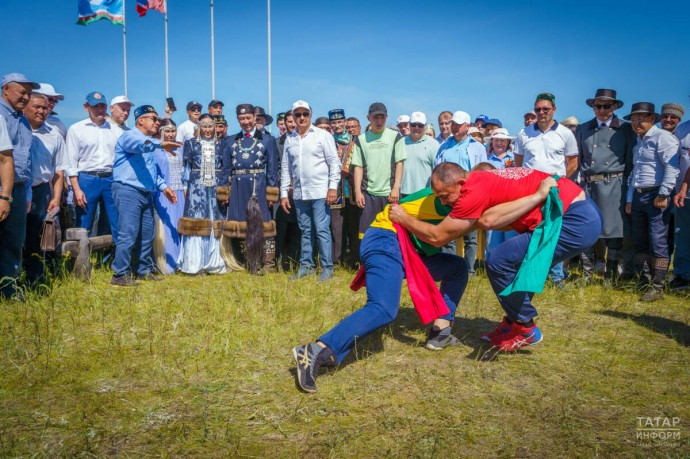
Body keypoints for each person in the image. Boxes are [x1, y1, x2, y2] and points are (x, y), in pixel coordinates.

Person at [389, 163, 601, 352]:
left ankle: (525, 327)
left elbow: (438, 237)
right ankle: (512, 325)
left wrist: (404, 218)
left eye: (445, 195)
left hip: (574, 220)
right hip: (580, 213)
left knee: (499, 260)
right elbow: (489, 220)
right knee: (517, 265)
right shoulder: (483, 181)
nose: (443, 202)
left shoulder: (472, 189)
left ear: (461, 183)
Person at [292, 189, 470, 392]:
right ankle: (315, 351)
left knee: (457, 267)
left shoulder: (465, 199)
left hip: (407, 249)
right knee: (383, 308)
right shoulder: (449, 196)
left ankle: (441, 332)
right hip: (386, 240)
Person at [514, 92, 579, 287]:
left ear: (554, 110)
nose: (542, 112)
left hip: (555, 190)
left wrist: (559, 182)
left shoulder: (565, 134)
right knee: (528, 231)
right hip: (529, 191)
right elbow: (518, 163)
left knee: (553, 231)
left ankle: (556, 277)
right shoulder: (524, 133)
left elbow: (573, 164)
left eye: (545, 109)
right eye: (538, 109)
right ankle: (529, 273)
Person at [111, 105, 179, 286]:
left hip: (146, 192)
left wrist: (164, 187)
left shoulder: (149, 143)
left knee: (147, 233)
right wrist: (160, 143)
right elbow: (139, 145)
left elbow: (152, 173)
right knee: (128, 233)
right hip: (128, 190)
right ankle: (120, 274)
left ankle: (142, 270)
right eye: (154, 119)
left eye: (157, 120)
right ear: (141, 120)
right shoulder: (130, 137)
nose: (157, 123)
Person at [576, 89, 636, 286]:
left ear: (615, 107)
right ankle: (586, 274)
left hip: (615, 184)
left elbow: (629, 161)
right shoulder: (583, 129)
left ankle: (610, 276)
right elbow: (578, 159)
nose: (602, 110)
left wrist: (626, 188)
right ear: (593, 107)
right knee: (587, 228)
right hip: (589, 185)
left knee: (614, 232)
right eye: (598, 106)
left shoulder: (626, 129)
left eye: (606, 106)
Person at [624, 102, 680, 301]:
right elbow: (635, 172)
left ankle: (657, 285)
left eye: (641, 118)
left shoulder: (662, 137)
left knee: (658, 239)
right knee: (640, 239)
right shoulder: (639, 142)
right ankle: (644, 279)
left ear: (652, 119)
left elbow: (672, 167)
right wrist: (630, 198)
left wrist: (663, 194)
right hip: (639, 194)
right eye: (633, 119)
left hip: (656, 193)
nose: (636, 122)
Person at [281, 100, 341, 281]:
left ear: (310, 115)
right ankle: (306, 265)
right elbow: (285, 168)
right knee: (305, 230)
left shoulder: (322, 135)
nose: (301, 118)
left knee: (322, 229)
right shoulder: (290, 139)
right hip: (300, 193)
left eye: (305, 114)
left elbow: (334, 163)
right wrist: (284, 193)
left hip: (320, 192)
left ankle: (327, 267)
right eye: (297, 115)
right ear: (293, 117)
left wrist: (332, 187)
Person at [220, 104, 279, 273]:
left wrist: (271, 192)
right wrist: (224, 190)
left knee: (264, 224)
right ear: (238, 119)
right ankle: (248, 263)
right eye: (241, 119)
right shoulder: (230, 140)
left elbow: (273, 169)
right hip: (239, 187)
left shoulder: (268, 140)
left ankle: (268, 264)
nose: (245, 121)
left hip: (258, 186)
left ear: (254, 118)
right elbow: (226, 169)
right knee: (243, 224)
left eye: (248, 118)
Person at [65, 91, 122, 241]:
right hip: (87, 179)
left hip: (111, 178)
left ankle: (114, 261)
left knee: (115, 221)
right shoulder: (76, 129)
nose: (100, 110)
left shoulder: (116, 130)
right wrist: (76, 189)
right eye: (95, 106)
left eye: (102, 106)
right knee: (84, 222)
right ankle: (82, 262)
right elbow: (71, 162)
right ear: (86, 107)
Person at [434, 110, 487, 269]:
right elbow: (436, 168)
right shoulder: (443, 146)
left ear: (468, 126)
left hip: (468, 195)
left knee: (470, 235)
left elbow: (483, 172)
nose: (455, 127)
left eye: (458, 124)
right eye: (453, 124)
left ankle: (469, 270)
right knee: (448, 234)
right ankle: (450, 268)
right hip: (447, 196)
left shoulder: (477, 147)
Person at [23, 93, 67, 284]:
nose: (41, 111)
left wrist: (56, 198)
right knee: (11, 236)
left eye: (44, 107)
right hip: (16, 189)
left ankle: (35, 278)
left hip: (41, 191)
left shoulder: (54, 135)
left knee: (37, 237)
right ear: (25, 106)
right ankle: (11, 278)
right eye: (36, 107)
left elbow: (59, 170)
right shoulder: (14, 130)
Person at [177, 114, 226, 275]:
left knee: (214, 220)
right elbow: (186, 168)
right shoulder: (191, 144)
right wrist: (185, 186)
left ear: (214, 127)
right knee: (196, 220)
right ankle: (194, 264)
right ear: (198, 128)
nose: (207, 130)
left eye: (210, 126)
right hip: (196, 188)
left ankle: (214, 263)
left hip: (215, 187)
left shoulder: (221, 145)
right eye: (203, 126)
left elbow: (226, 169)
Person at [351, 102, 406, 236]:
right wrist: (358, 192)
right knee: (367, 233)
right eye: (376, 117)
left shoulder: (395, 136)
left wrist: (396, 188)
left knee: (391, 232)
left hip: (389, 194)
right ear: (368, 118)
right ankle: (367, 257)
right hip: (368, 194)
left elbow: (400, 163)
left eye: (382, 117)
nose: (379, 121)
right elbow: (358, 167)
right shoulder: (361, 139)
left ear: (387, 118)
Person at [153, 118, 186, 274]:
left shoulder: (181, 149)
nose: (170, 134)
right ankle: (167, 264)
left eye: (173, 130)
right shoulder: (155, 150)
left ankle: (183, 261)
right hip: (164, 193)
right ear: (160, 132)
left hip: (181, 193)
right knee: (167, 228)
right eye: (167, 131)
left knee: (181, 227)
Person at [328, 108, 359, 267]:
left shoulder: (356, 140)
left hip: (353, 191)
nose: (337, 125)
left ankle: (354, 261)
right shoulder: (328, 140)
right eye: (334, 122)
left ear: (345, 122)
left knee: (354, 229)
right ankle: (336, 261)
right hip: (335, 191)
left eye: (340, 122)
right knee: (336, 229)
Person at [275, 110, 301, 270]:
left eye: (294, 121)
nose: (292, 124)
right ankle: (278, 262)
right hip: (283, 192)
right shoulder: (277, 142)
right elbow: (275, 166)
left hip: (299, 192)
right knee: (281, 230)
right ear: (284, 123)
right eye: (289, 122)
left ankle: (295, 262)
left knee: (297, 229)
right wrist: (285, 184)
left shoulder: (303, 140)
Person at [484, 128, 518, 253]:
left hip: (511, 202)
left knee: (510, 237)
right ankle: (491, 266)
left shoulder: (515, 159)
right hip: (492, 204)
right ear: (491, 142)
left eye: (503, 141)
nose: (500, 143)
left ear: (508, 143)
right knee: (492, 238)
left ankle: (509, 266)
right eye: (497, 140)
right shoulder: (485, 160)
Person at [671, 95, 690, 291]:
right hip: (684, 192)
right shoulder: (682, 130)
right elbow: (675, 161)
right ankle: (682, 276)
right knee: (682, 234)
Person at [401, 111, 439, 197]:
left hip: (425, 193)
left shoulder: (434, 144)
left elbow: (437, 170)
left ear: (425, 126)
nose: (416, 127)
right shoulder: (400, 143)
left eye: (420, 125)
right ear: (409, 125)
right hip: (402, 192)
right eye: (414, 124)